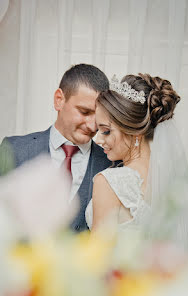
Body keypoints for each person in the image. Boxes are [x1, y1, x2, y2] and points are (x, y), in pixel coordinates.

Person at [85, 73, 188, 250]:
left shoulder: (109, 182)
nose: (98, 139)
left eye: (106, 131)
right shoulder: (174, 180)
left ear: (134, 132)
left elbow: (96, 260)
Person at [0, 64, 112, 232]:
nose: (92, 125)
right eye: (84, 112)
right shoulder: (13, 149)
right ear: (59, 100)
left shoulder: (109, 164)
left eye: (98, 116)